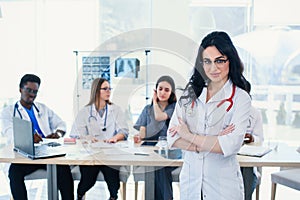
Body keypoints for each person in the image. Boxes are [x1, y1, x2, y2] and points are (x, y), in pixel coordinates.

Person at [167, 31, 251, 200]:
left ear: (230, 60)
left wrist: (189, 135)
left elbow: (231, 145)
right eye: (207, 62)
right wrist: (212, 142)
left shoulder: (240, 98)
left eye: (220, 60)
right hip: (191, 183)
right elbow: (173, 138)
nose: (213, 68)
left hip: (223, 187)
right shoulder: (189, 94)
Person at [0, 74, 74, 200]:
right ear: (20, 89)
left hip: (47, 152)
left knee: (63, 169)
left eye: (35, 91)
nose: (32, 94)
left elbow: (61, 124)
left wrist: (58, 134)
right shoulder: (8, 112)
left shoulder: (42, 108)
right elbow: (9, 132)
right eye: (29, 90)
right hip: (25, 155)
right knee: (14, 173)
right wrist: (29, 137)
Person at [70, 77, 129, 200]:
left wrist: (115, 138)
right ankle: (80, 194)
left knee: (113, 180)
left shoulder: (116, 110)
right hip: (91, 154)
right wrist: (87, 138)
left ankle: (113, 197)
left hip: (110, 154)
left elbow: (124, 131)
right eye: (105, 89)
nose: (108, 91)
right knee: (88, 180)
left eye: (109, 88)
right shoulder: (85, 111)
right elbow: (75, 134)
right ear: (97, 91)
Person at [134, 75, 179, 200]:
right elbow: (143, 134)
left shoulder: (174, 108)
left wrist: (154, 101)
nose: (162, 92)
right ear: (156, 90)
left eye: (166, 90)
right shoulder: (147, 109)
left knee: (159, 166)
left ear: (171, 93)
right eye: (160, 89)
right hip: (149, 150)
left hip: (169, 150)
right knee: (155, 165)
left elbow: (159, 116)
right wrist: (139, 136)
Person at [241, 80, 264, 200]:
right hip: (226, 157)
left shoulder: (254, 113)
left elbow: (260, 139)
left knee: (247, 173)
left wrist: (252, 138)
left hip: (246, 158)